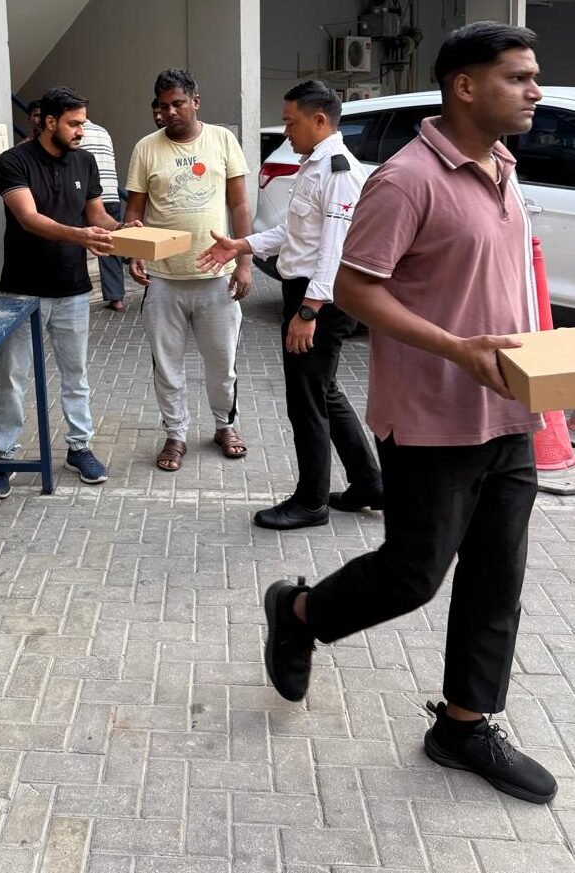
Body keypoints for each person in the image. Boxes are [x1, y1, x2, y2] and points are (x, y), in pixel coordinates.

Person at [263, 22, 557, 804]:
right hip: (433, 419)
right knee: (412, 575)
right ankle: (298, 613)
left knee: (497, 578)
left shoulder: (501, 164)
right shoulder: (406, 179)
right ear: (465, 85)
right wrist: (457, 348)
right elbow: (356, 289)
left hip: (510, 412)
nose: (534, 91)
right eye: (518, 77)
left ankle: (463, 724)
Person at [197, 81, 382, 530]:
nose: (286, 132)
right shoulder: (314, 164)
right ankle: (369, 485)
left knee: (306, 401)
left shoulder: (337, 171)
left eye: (290, 123)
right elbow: (294, 234)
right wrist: (241, 244)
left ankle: (311, 501)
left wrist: (308, 312)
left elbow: (334, 250)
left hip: (318, 299)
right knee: (324, 391)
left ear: (319, 120)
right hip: (308, 293)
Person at [0, 86, 135, 499]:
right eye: (74, 123)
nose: (81, 131)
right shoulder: (14, 162)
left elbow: (97, 215)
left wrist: (122, 229)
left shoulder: (85, 161)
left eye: (83, 123)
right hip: (22, 290)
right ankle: (4, 455)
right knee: (13, 378)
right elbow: (29, 218)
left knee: (76, 374)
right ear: (48, 122)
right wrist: (80, 236)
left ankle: (79, 447)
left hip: (72, 289)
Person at [124, 68, 252, 472]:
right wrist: (133, 251)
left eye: (177, 103)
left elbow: (239, 205)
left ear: (195, 102)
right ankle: (175, 434)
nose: (169, 112)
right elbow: (134, 211)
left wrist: (244, 261)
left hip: (217, 276)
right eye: (163, 106)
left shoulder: (222, 140)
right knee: (167, 367)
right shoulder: (146, 148)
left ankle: (225, 426)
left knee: (223, 365)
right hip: (163, 279)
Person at [80, 118, 126, 312]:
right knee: (110, 245)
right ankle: (117, 298)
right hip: (111, 191)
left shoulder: (75, 133)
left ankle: (78, 296)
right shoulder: (103, 131)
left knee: (78, 241)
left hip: (90, 195)